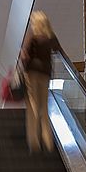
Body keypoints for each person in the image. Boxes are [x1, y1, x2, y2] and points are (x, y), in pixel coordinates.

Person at [21, 11, 60, 152]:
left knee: (32, 107)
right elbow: (60, 52)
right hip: (45, 74)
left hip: (31, 74)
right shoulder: (51, 37)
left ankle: (34, 142)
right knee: (44, 107)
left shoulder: (33, 37)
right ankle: (48, 141)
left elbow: (25, 55)